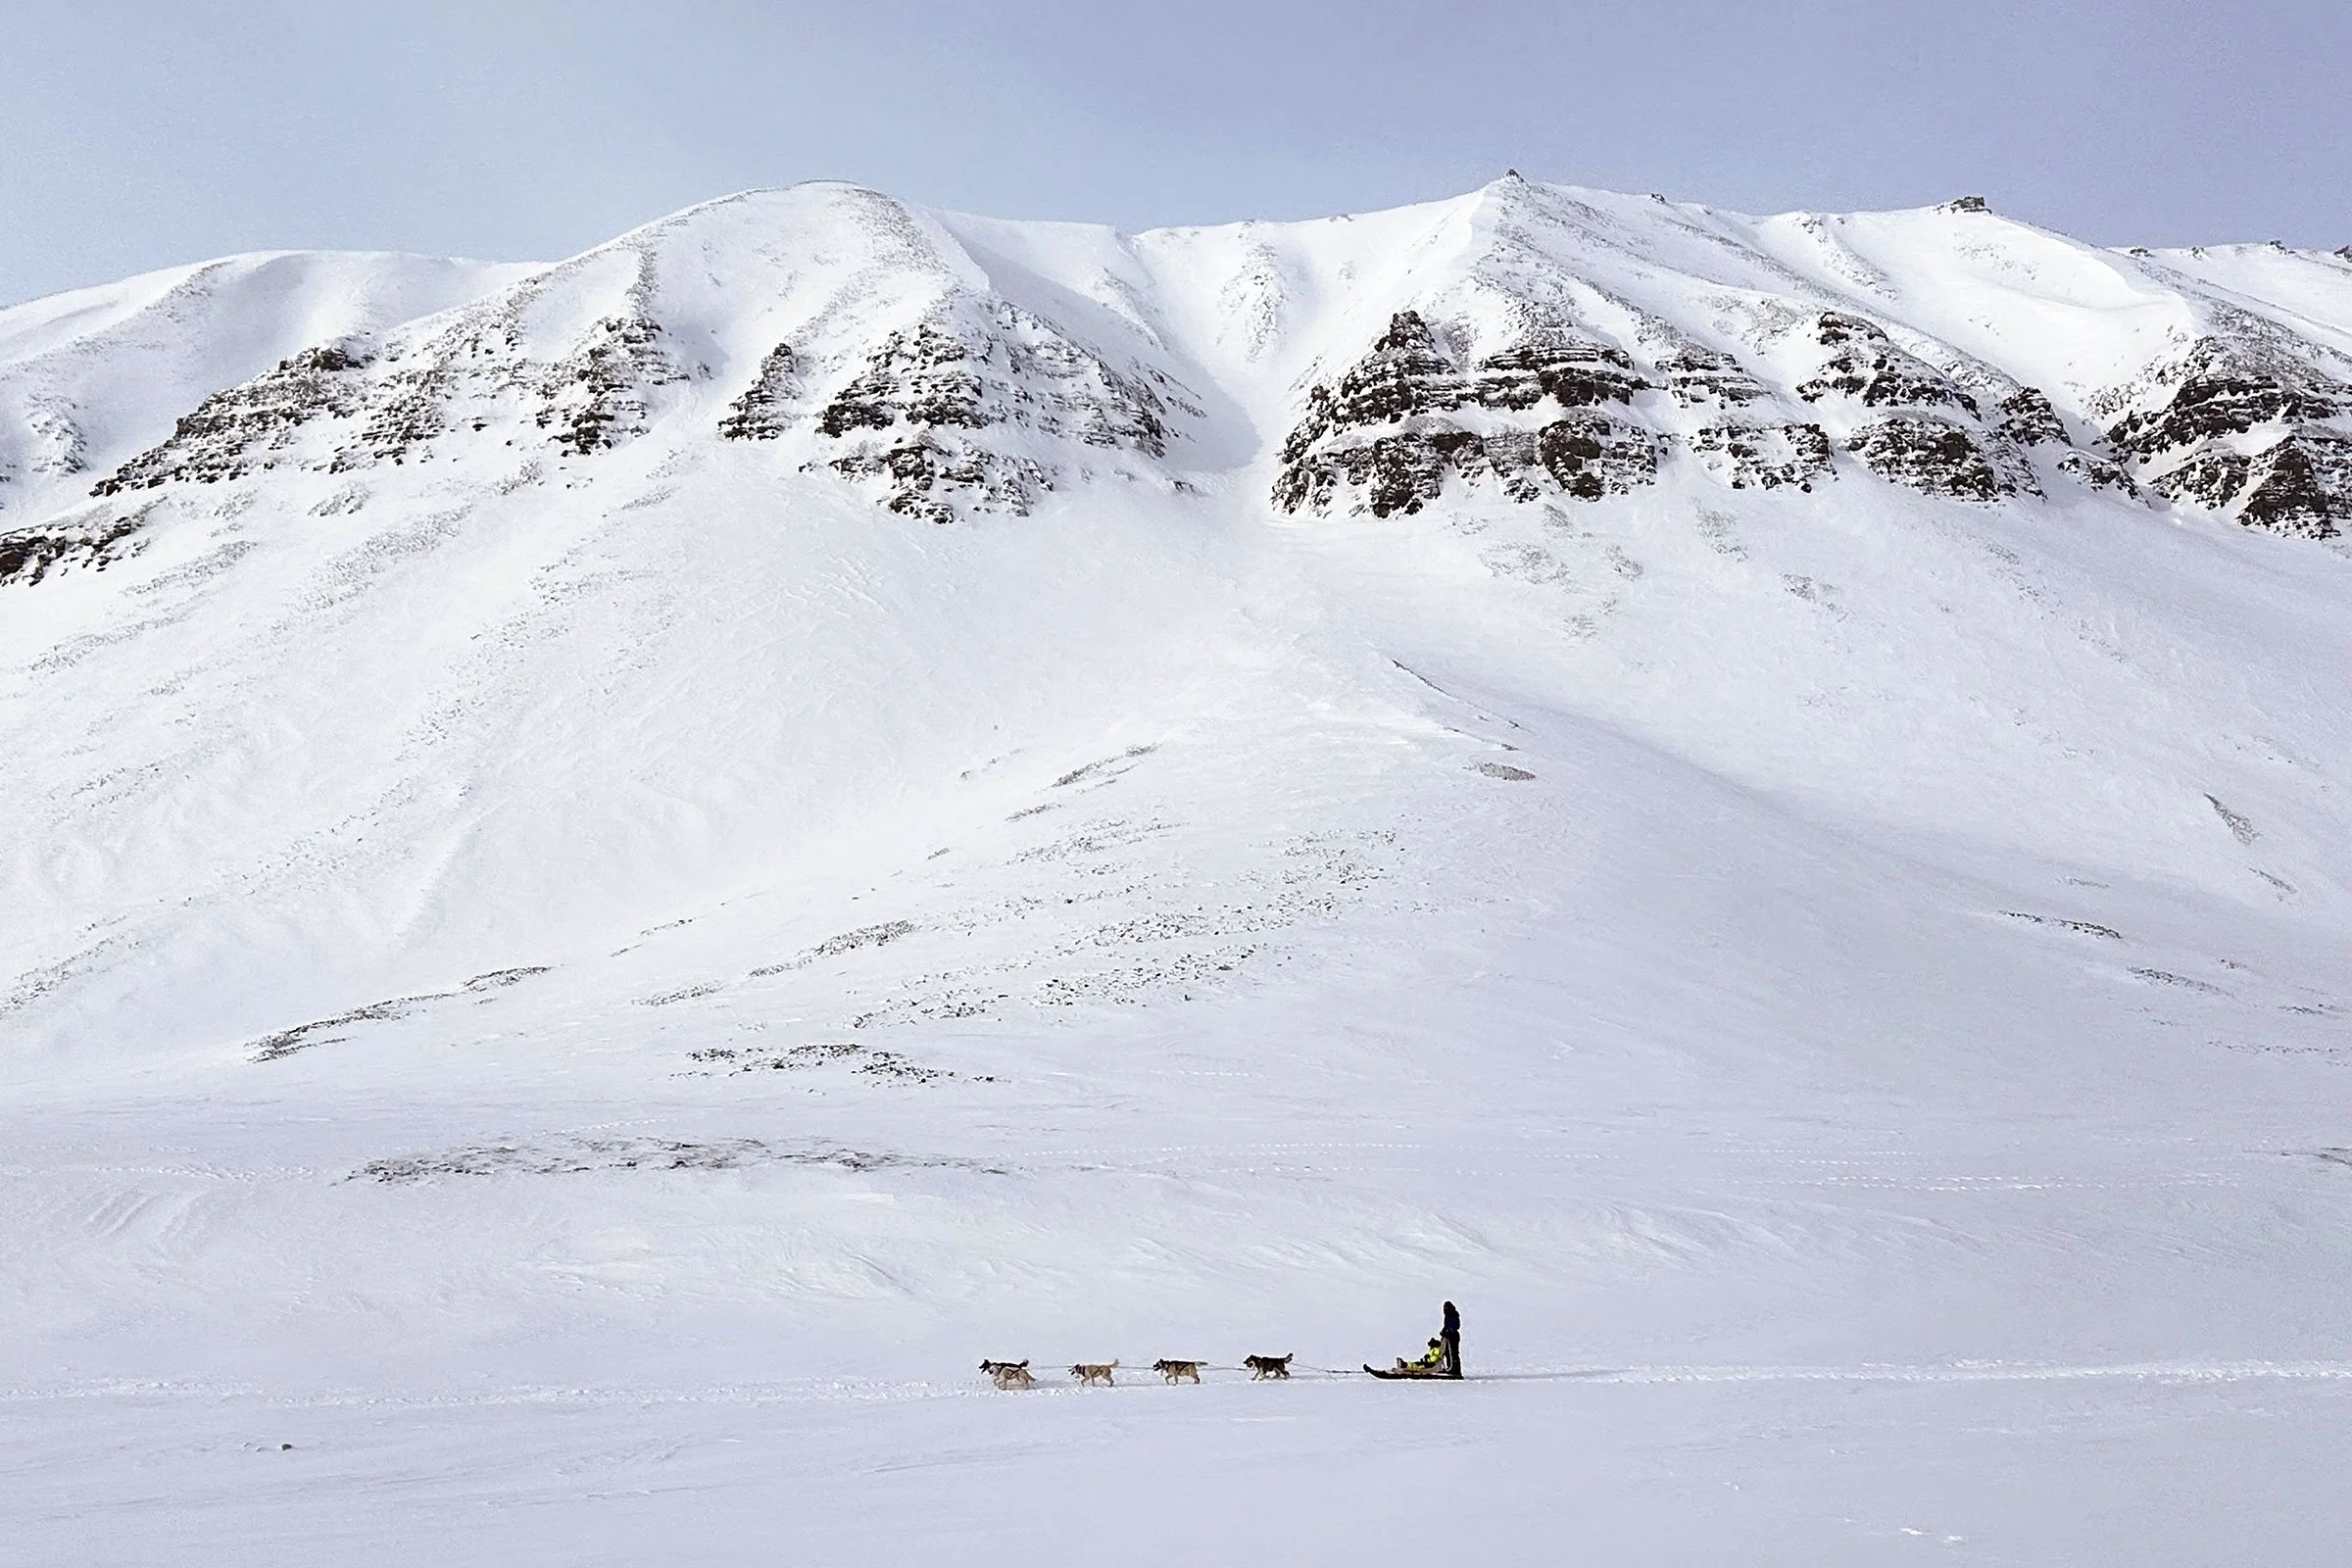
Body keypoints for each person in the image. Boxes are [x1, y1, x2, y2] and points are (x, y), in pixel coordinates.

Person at [1440, 1299, 1462, 1380]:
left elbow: (1456, 1326)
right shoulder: (1447, 1316)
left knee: (1453, 1353)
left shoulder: (1454, 1315)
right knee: (1446, 1352)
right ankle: (1449, 1367)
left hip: (1453, 1337)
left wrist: (1450, 1330)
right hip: (1448, 1337)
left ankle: (1455, 1370)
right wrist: (1444, 1331)